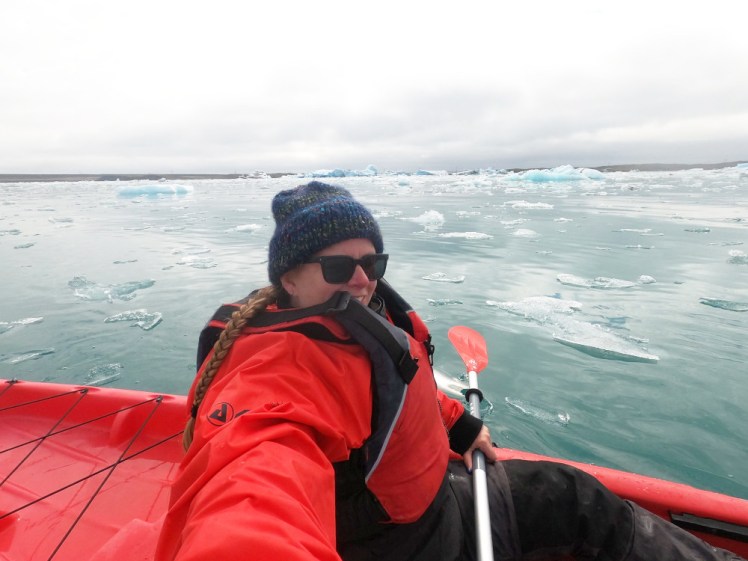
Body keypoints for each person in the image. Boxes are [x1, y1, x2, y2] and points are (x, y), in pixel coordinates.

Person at [155, 181, 743, 561]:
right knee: (575, 503)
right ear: (289, 277)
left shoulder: (350, 326)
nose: (362, 279)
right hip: (411, 543)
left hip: (426, 506)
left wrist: (458, 426)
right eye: (339, 265)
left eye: (372, 262)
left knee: (572, 493)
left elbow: (395, 390)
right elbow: (253, 485)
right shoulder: (278, 370)